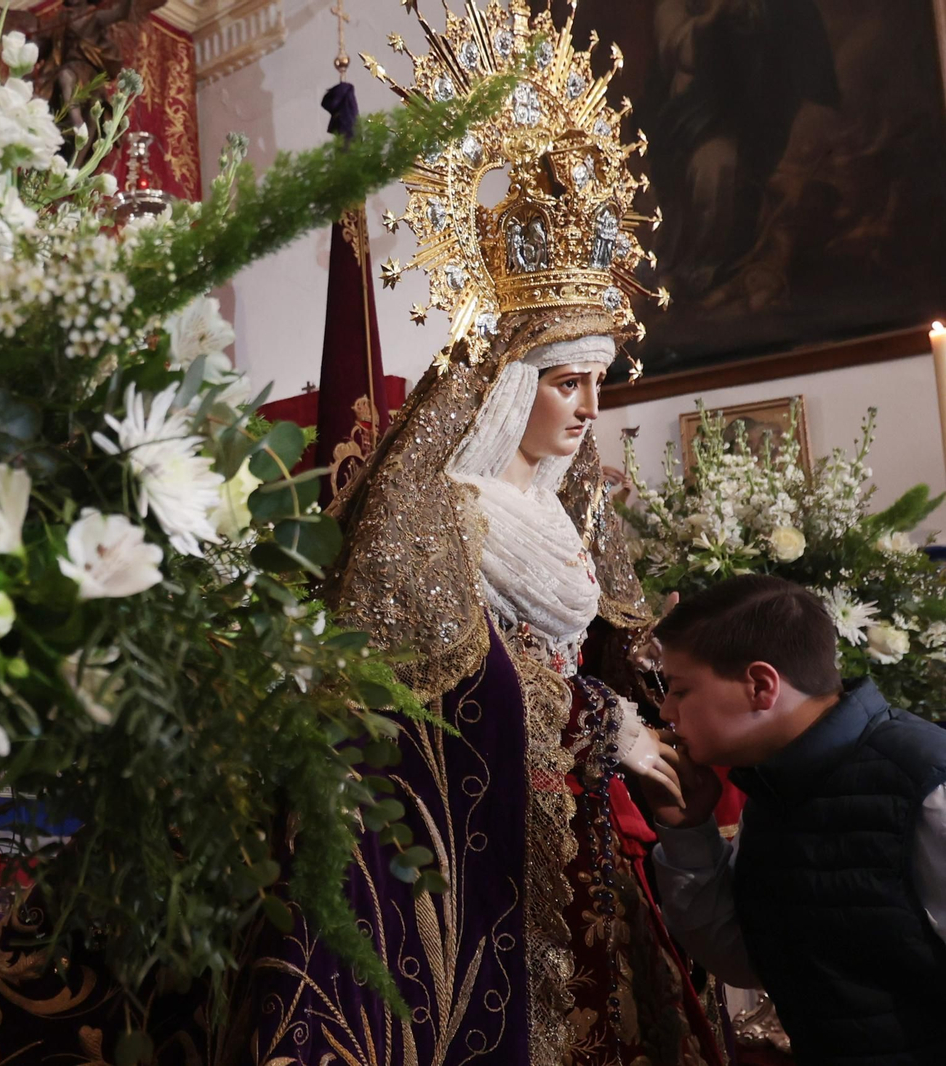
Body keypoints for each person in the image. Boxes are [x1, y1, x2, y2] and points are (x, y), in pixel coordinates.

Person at [239, 5, 733, 1060]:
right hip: (478, 829)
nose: (587, 409)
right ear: (512, 393)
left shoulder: (575, 520)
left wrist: (647, 701)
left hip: (575, 826)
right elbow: (427, 690)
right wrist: (602, 725)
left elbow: (616, 654)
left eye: (598, 383)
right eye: (566, 384)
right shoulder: (443, 517)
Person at [644, 573, 946, 1066]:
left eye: (680, 689)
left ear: (761, 685)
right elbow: (748, 959)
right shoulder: (778, 781)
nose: (666, 709)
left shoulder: (922, 779)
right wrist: (687, 833)